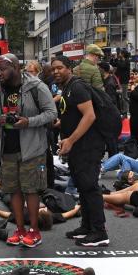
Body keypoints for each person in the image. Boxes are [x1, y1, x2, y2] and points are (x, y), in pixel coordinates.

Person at [0, 53, 57, 248]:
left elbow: (51, 113)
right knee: (13, 190)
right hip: (7, 147)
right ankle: (20, 229)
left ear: (16, 68)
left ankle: (34, 231)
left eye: (3, 69)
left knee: (31, 190)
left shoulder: (36, 87)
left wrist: (28, 122)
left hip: (32, 148)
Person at [53, 55, 108, 247]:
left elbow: (89, 115)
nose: (56, 72)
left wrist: (70, 139)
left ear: (70, 68)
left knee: (90, 187)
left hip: (88, 146)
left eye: (60, 68)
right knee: (82, 186)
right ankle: (86, 226)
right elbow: (74, 114)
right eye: (53, 69)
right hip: (77, 147)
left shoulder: (77, 87)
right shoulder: (67, 88)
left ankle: (100, 232)